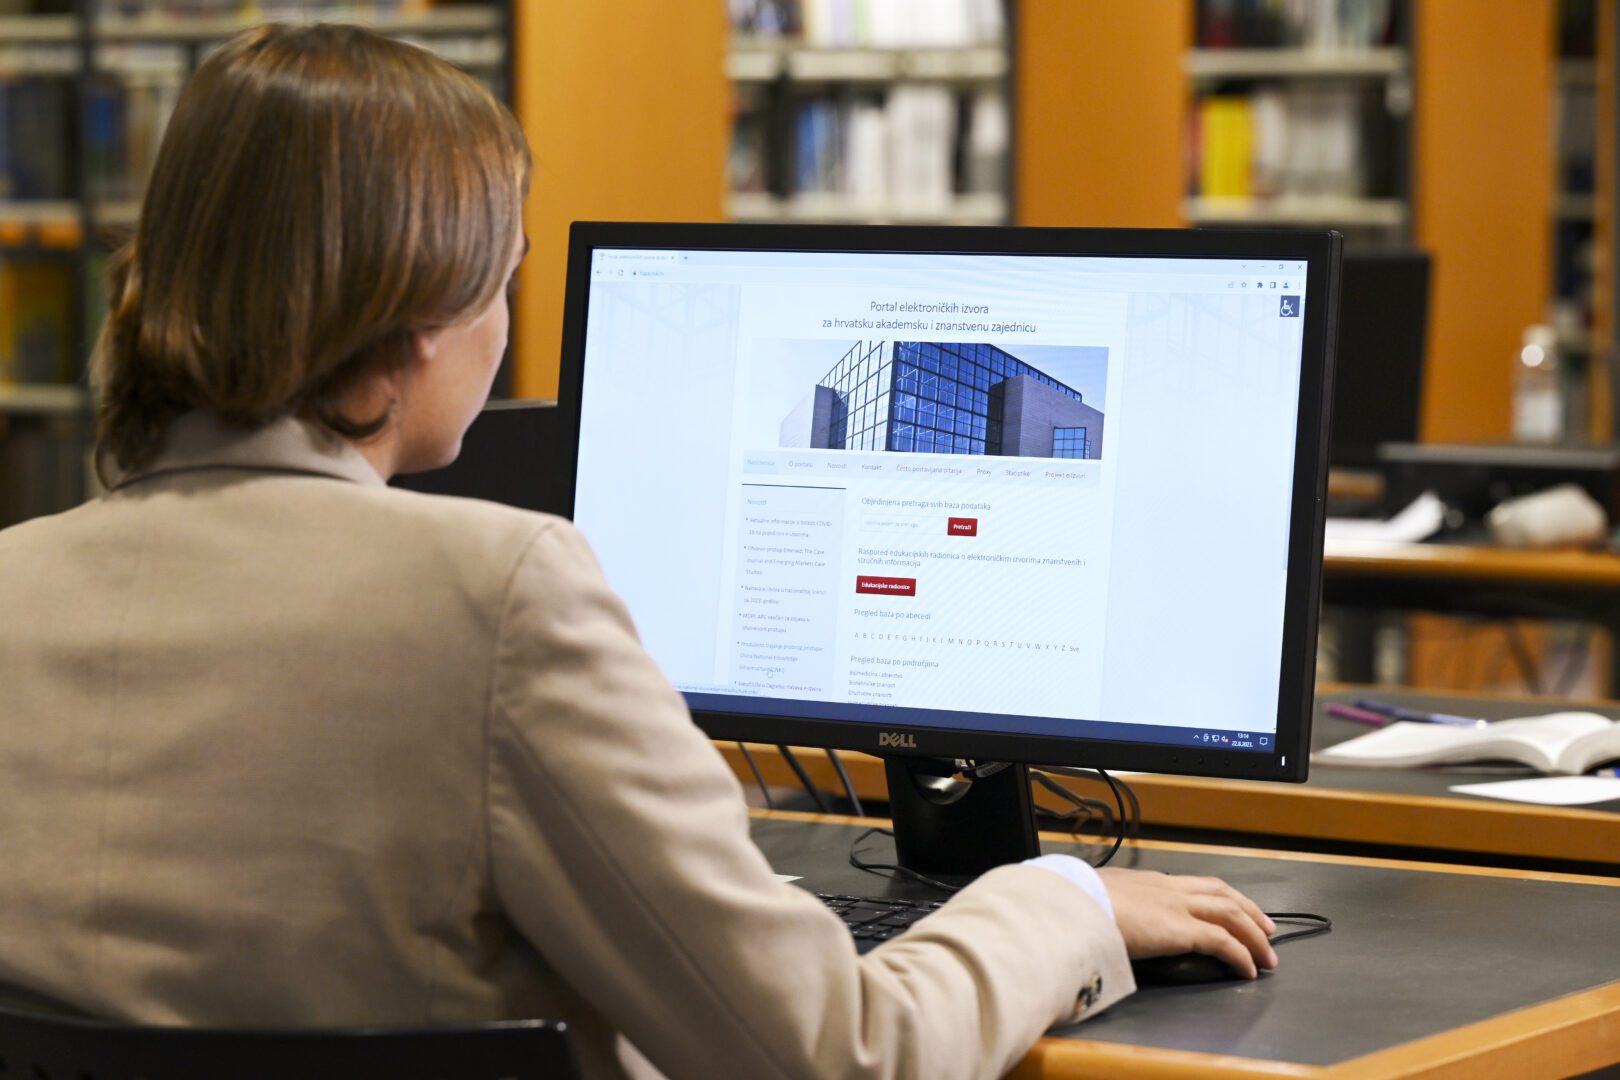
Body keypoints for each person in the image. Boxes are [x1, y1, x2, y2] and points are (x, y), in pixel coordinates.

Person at [0, 22, 1276, 1080]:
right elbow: (833, 1056)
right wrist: (1062, 904)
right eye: (501, 280)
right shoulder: (498, 595)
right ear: (416, 317)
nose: (507, 323)